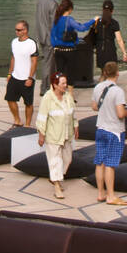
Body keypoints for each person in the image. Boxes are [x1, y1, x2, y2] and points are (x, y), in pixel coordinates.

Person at [91, 61, 127, 206]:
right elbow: (120, 114)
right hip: (114, 131)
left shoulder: (98, 87)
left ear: (104, 73)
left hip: (101, 128)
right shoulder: (118, 91)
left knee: (100, 162)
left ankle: (100, 193)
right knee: (110, 164)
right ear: (117, 73)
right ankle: (111, 196)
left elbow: (94, 106)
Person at [36, 71, 77, 199]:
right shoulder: (48, 98)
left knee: (67, 158)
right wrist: (41, 134)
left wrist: (75, 125)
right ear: (55, 85)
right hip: (53, 135)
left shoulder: (68, 97)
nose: (65, 85)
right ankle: (57, 186)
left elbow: (72, 113)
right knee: (55, 160)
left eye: (66, 83)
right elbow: (42, 117)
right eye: (63, 83)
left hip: (66, 134)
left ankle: (55, 178)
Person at [50, 0, 98, 86]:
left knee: (60, 73)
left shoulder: (56, 19)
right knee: (70, 74)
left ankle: (59, 93)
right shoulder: (69, 20)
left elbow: (52, 35)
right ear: (70, 9)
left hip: (57, 50)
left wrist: (54, 46)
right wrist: (93, 20)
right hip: (69, 50)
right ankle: (71, 95)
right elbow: (81, 28)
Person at [6, 19, 37, 128]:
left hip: (27, 78)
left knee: (28, 103)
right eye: (16, 30)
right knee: (10, 99)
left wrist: (30, 77)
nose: (17, 32)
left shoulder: (31, 43)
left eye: (19, 30)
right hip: (15, 76)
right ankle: (17, 121)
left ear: (25, 30)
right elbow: (13, 58)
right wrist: (9, 73)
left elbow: (34, 62)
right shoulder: (14, 42)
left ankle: (27, 125)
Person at [33, 0, 60, 97]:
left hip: (40, 34)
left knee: (47, 61)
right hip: (49, 36)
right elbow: (54, 22)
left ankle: (51, 85)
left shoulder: (41, 0)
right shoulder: (54, 3)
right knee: (48, 63)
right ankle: (44, 88)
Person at [90, 0, 127, 74]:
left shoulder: (97, 22)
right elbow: (119, 39)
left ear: (102, 10)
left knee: (103, 72)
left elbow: (92, 36)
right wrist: (124, 52)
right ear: (112, 10)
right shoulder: (114, 23)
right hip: (110, 49)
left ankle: (102, 84)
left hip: (100, 49)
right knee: (112, 73)